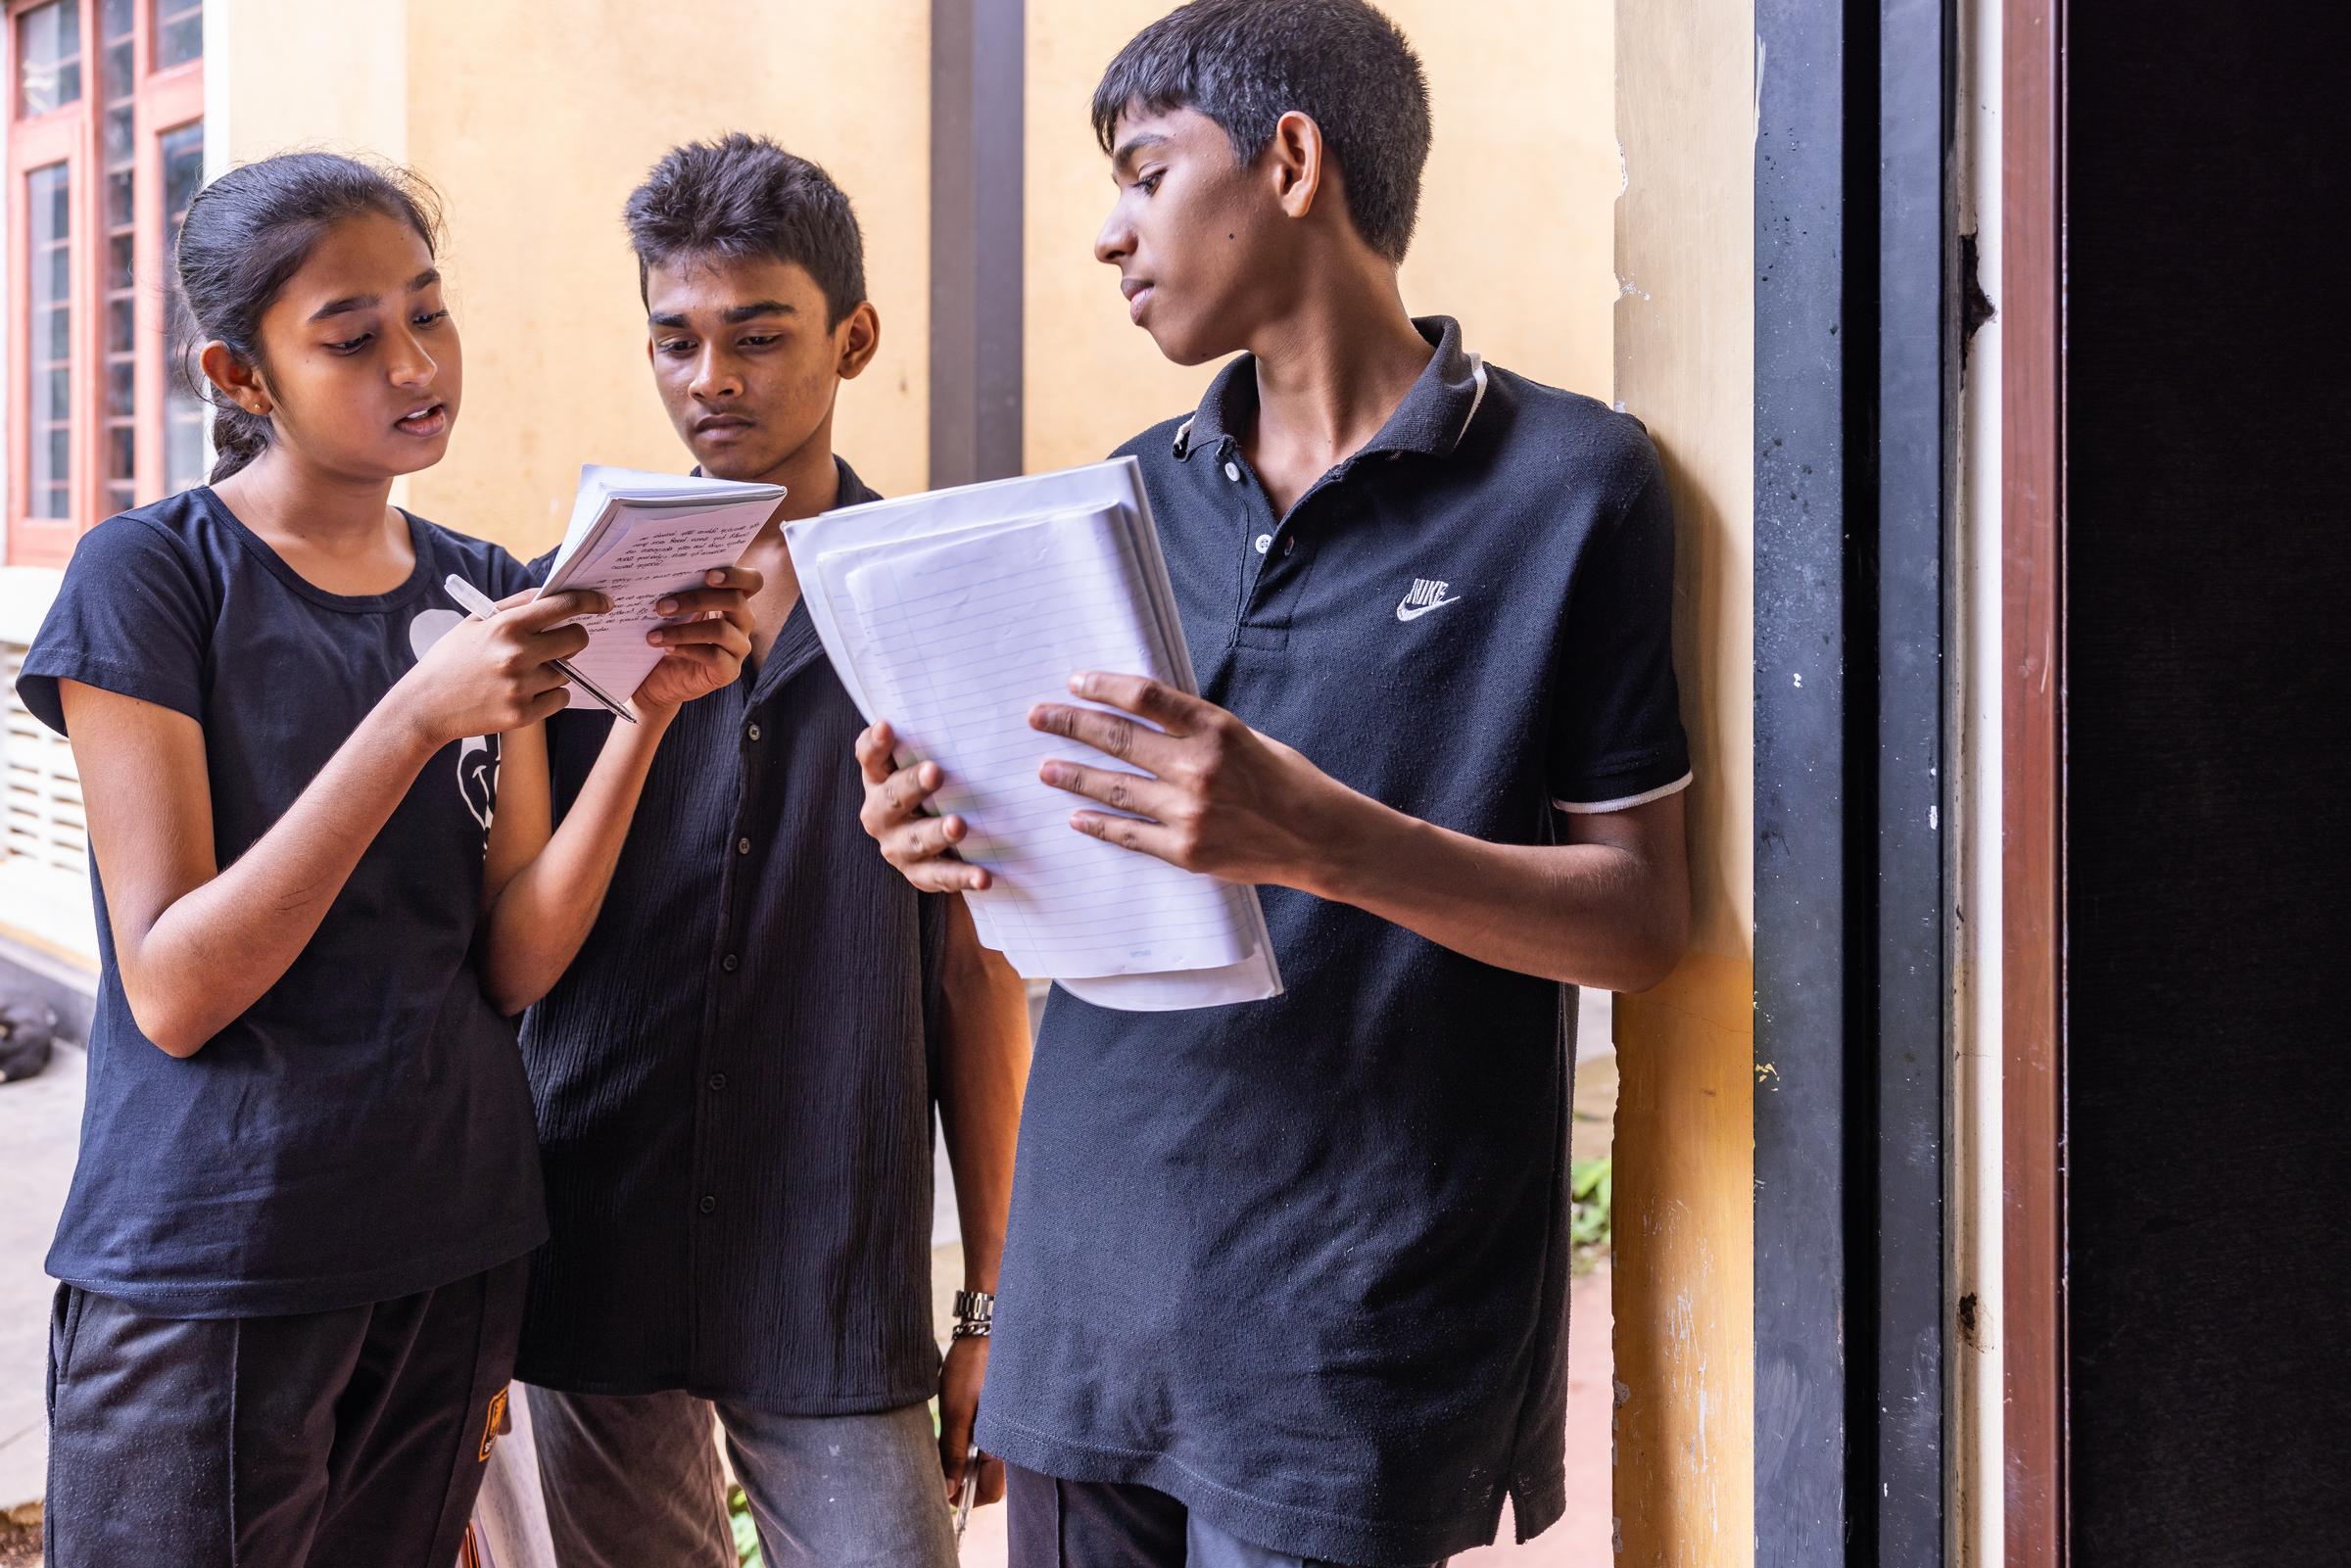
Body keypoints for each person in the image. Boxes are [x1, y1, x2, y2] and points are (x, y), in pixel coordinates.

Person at [857, 3, 1695, 1563]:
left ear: (1292, 159)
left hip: (1353, 1338)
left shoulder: (1574, 487)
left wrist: (1315, 835)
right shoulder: (1116, 502)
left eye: (1144, 172)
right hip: (1088, 1303)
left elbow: (1642, 921)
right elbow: (1081, 862)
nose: (1110, 235)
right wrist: (948, 835)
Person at [22, 151, 754, 1568]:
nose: (416, 363)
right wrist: (414, 718)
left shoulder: (482, 584)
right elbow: (174, 984)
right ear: (241, 378)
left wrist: (650, 715)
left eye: (430, 311)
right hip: (218, 1254)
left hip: (450, 1236)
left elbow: (518, 954)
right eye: (353, 337)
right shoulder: (152, 575)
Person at [514, 134, 1032, 1568]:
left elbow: (975, 976)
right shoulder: (573, 605)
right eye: (675, 340)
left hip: (831, 1259)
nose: (711, 380)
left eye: (758, 335)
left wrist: (994, 1290)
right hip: (591, 1230)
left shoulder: (935, 604)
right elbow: (509, 937)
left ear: (853, 339)